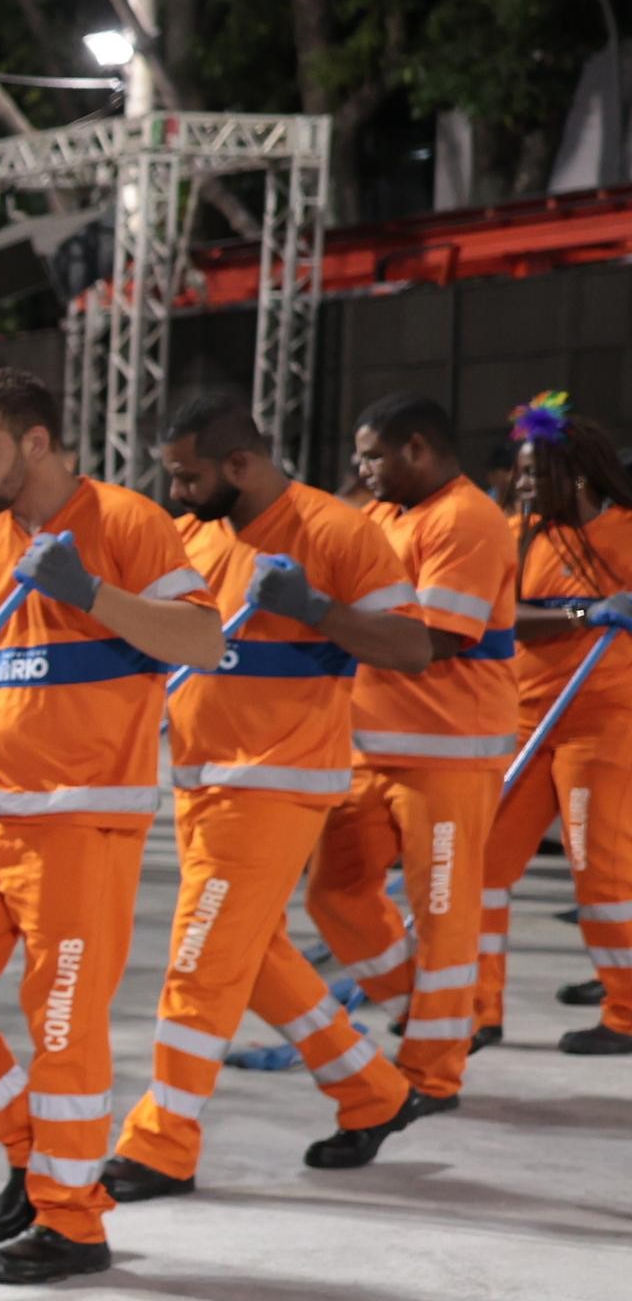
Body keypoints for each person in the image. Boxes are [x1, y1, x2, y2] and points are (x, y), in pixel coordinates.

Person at [0, 369, 218, 1283]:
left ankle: (73, 1222)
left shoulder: (132, 525)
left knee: (64, 1028)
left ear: (36, 443)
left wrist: (89, 591)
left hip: (80, 831)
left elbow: (203, 641)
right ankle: (34, 1154)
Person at [94, 397, 425, 1197]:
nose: (176, 491)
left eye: (188, 475)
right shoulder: (198, 537)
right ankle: (371, 1091)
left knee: (200, 966)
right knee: (255, 957)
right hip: (203, 782)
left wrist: (317, 610)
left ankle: (162, 1144)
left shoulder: (337, 531)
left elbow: (413, 647)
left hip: (277, 783)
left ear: (239, 464)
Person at [303, 392, 521, 1118]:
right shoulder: (384, 514)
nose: (362, 469)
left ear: (419, 448)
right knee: (333, 892)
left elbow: (437, 640)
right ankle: (421, 1008)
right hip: (369, 747)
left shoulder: (468, 519)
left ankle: (433, 1072)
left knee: (443, 916)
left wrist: (324, 615)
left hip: (449, 754)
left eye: (373, 454)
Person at [486, 399, 632, 1054]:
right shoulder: (517, 533)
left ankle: (627, 1012)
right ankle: (474, 1006)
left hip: (603, 725)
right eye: (517, 472)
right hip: (525, 720)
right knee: (484, 864)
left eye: (529, 472)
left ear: (574, 477)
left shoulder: (625, 532)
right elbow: (500, 617)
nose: (518, 484)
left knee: (598, 870)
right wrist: (583, 615)